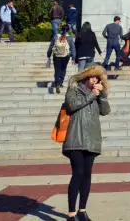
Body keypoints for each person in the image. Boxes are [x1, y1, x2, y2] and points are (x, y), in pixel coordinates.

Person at [62, 64, 110, 221]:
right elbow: (72, 105)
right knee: (78, 173)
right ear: (85, 77)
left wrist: (101, 95)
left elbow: (105, 111)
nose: (94, 80)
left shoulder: (97, 94)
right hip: (76, 138)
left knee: (87, 174)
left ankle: (82, 210)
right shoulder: (74, 90)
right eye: (91, 77)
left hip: (92, 139)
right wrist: (91, 95)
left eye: (97, 78)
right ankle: (71, 213)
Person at [48, 26, 75, 94]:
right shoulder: (70, 37)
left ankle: (57, 84)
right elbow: (72, 48)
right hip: (66, 56)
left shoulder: (56, 36)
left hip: (56, 56)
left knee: (57, 70)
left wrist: (48, 54)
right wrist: (73, 57)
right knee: (63, 69)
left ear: (61, 29)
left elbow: (51, 46)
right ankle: (60, 82)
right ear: (68, 30)